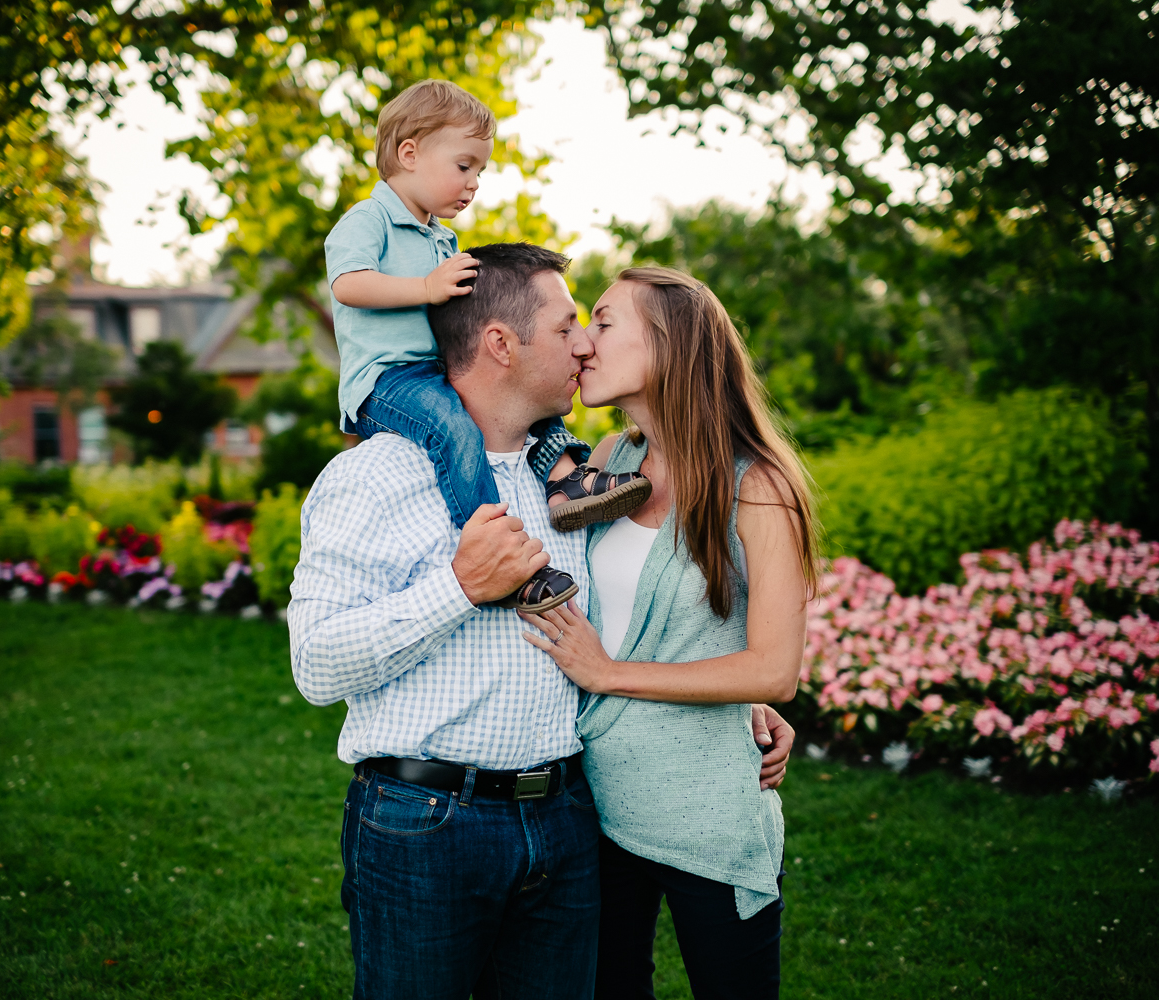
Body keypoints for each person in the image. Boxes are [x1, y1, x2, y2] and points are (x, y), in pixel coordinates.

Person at [290, 245, 795, 1000]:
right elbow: (316, 668)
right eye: (569, 326)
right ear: (501, 342)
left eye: (595, 324)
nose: (584, 344)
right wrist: (459, 587)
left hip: (566, 820)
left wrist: (737, 696)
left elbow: (645, 616)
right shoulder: (380, 474)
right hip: (430, 824)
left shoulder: (574, 480)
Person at [518, 266, 819, 1000]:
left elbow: (775, 669)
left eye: (604, 320)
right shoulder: (603, 468)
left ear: (670, 344)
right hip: (595, 804)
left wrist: (611, 673)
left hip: (707, 810)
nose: (584, 343)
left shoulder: (759, 485)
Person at [324, 79, 651, 613]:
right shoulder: (369, 220)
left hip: (433, 369)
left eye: (480, 171)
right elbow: (348, 284)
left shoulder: (441, 238)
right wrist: (426, 288)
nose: (474, 182)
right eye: (463, 166)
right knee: (452, 428)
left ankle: (569, 481)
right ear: (409, 154)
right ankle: (502, 555)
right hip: (387, 381)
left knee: (536, 403)